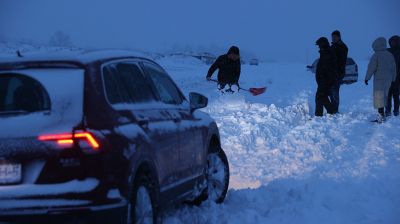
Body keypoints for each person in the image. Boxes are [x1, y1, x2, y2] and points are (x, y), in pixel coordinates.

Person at [365, 37, 397, 122]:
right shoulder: (389, 55)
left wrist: (367, 78)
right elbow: (393, 68)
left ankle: (381, 116)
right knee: (386, 96)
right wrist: (393, 78)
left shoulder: (376, 55)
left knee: (379, 97)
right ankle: (384, 115)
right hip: (388, 80)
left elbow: (371, 68)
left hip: (379, 80)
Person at [314, 37, 336, 117]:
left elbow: (326, 70)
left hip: (325, 80)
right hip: (323, 80)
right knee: (320, 96)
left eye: (319, 45)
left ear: (323, 44)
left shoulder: (327, 54)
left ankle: (331, 111)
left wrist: (323, 80)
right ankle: (319, 115)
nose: (318, 47)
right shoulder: (325, 53)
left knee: (321, 96)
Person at [330, 30, 348, 113]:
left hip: (338, 73)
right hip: (332, 72)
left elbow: (339, 61)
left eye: (334, 37)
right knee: (331, 91)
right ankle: (333, 108)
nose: (333, 38)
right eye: (332, 37)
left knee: (334, 91)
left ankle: (335, 110)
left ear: (339, 37)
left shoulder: (342, 47)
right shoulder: (333, 46)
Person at [386, 35, 400, 116]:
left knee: (396, 96)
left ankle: (396, 111)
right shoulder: (387, 51)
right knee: (388, 96)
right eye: (391, 42)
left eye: (394, 41)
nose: (392, 43)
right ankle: (388, 111)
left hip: (397, 79)